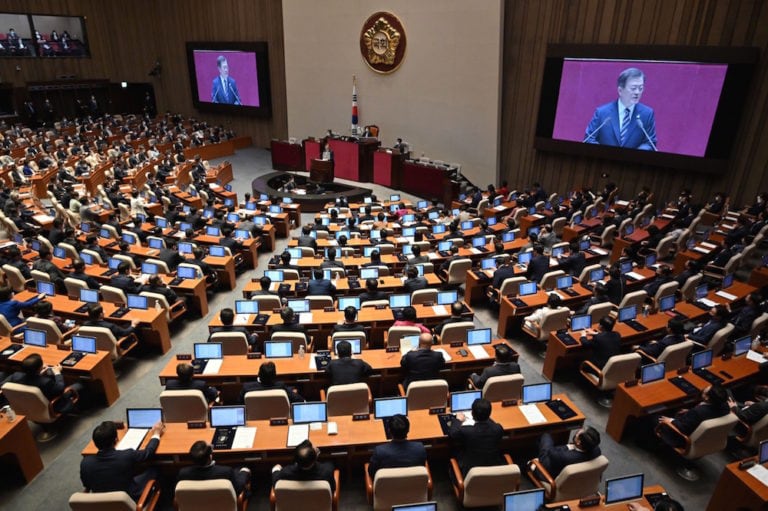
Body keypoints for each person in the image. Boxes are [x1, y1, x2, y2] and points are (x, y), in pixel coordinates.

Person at [80, 420, 165, 501]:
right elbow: (148, 453)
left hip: (101, 503)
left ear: (95, 443)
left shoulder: (85, 463)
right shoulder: (126, 456)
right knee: (154, 469)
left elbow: (87, 485)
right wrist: (156, 434)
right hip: (130, 500)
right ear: (116, 439)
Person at [584, 67, 657, 151]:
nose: (637, 92)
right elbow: (589, 139)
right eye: (633, 88)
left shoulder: (647, 114)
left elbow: (650, 142)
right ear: (620, 90)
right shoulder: (602, 113)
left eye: (640, 88)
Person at [656, 384, 730, 448]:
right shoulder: (725, 406)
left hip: (680, 437)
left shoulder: (698, 412)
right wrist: (690, 412)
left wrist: (670, 420)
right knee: (677, 411)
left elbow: (683, 428)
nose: (703, 389)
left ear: (707, 398)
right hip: (702, 435)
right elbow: (707, 414)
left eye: (705, 391)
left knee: (654, 416)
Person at [7, 353, 82, 413]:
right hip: (52, 405)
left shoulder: (16, 376)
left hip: (28, 406)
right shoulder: (46, 382)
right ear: (40, 368)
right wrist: (57, 373)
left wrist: (39, 374)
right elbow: (60, 388)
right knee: (80, 384)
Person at [449, 398, 504, 477]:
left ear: (472, 413)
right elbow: (492, 424)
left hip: (471, 473)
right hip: (494, 470)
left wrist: (458, 420)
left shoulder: (468, 431)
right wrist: (485, 415)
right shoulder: (498, 429)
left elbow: (453, 433)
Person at [177, 441, 250, 495]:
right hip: (222, 506)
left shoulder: (183, 473)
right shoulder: (226, 472)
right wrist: (244, 472)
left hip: (195, 506)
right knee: (238, 470)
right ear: (210, 457)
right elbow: (238, 489)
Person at [535, 427, 602, 478]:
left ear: (579, 442)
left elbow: (551, 452)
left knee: (545, 436)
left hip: (549, 470)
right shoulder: (597, 450)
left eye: (577, 434)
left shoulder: (563, 456)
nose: (576, 432)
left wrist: (568, 446)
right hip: (570, 469)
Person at [239, 361, 304, 403]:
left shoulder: (247, 388)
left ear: (259, 374)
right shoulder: (281, 386)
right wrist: (293, 392)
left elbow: (238, 403)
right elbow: (299, 400)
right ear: (275, 375)